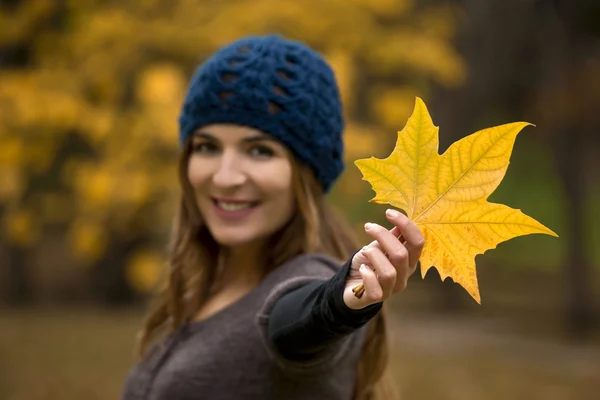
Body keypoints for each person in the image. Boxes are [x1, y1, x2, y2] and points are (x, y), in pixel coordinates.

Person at [121, 34, 424, 400]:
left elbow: (297, 324)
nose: (225, 176)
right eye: (207, 146)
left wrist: (338, 306)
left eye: (260, 151)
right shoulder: (203, 287)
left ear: (305, 172)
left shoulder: (313, 277)